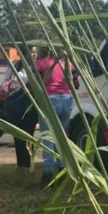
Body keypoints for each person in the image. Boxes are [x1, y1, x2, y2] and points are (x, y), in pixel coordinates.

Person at [34, 47, 79, 188]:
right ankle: (62, 170)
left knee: (48, 137)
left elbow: (33, 82)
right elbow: (76, 84)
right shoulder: (68, 64)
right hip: (66, 99)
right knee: (61, 136)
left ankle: (48, 173)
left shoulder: (41, 64)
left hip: (49, 100)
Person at [2, 46, 39, 171]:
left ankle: (29, 165)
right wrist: (10, 86)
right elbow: (3, 84)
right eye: (30, 52)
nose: (33, 54)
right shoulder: (14, 66)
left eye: (35, 52)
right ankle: (21, 165)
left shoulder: (37, 67)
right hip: (15, 104)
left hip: (30, 105)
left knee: (29, 136)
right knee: (17, 136)